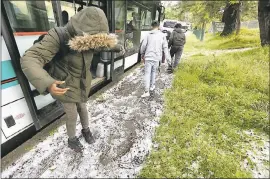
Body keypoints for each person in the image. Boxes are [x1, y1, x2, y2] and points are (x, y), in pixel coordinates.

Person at [20, 7, 124, 152]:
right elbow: (30, 58)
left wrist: (117, 47)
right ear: (82, 32)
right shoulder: (58, 35)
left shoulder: (92, 40)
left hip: (82, 83)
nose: (93, 43)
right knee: (72, 114)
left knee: (83, 108)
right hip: (65, 84)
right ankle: (72, 140)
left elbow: (99, 44)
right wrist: (47, 82)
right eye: (91, 39)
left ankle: (86, 130)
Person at [140, 21, 170, 98]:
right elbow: (165, 47)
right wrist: (168, 59)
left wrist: (142, 54)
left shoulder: (148, 35)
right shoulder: (162, 35)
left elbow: (143, 46)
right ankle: (152, 86)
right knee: (153, 72)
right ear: (158, 26)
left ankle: (147, 91)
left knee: (147, 73)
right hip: (157, 58)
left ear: (151, 26)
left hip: (149, 57)